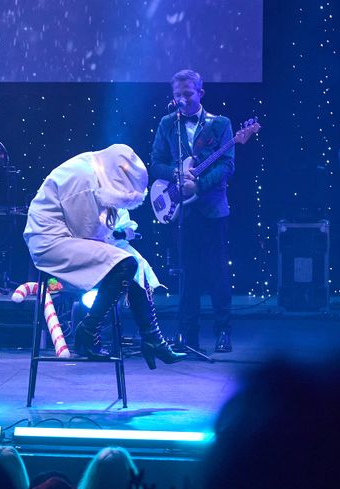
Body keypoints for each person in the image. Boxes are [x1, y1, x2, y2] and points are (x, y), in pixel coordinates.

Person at [25, 144, 186, 368]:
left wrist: (120, 231)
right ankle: (88, 331)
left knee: (136, 263)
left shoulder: (103, 172)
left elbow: (105, 222)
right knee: (125, 264)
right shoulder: (84, 182)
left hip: (71, 235)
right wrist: (116, 235)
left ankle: (152, 339)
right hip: (51, 241)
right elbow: (86, 232)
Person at [149, 69, 235, 353]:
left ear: (200, 93)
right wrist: (177, 176)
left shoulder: (220, 124)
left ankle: (223, 332)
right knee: (188, 273)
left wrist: (198, 186)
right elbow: (156, 163)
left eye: (188, 94)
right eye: (178, 95)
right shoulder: (166, 124)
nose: (183, 99)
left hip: (212, 209)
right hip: (182, 213)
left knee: (218, 273)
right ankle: (188, 334)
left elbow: (226, 166)